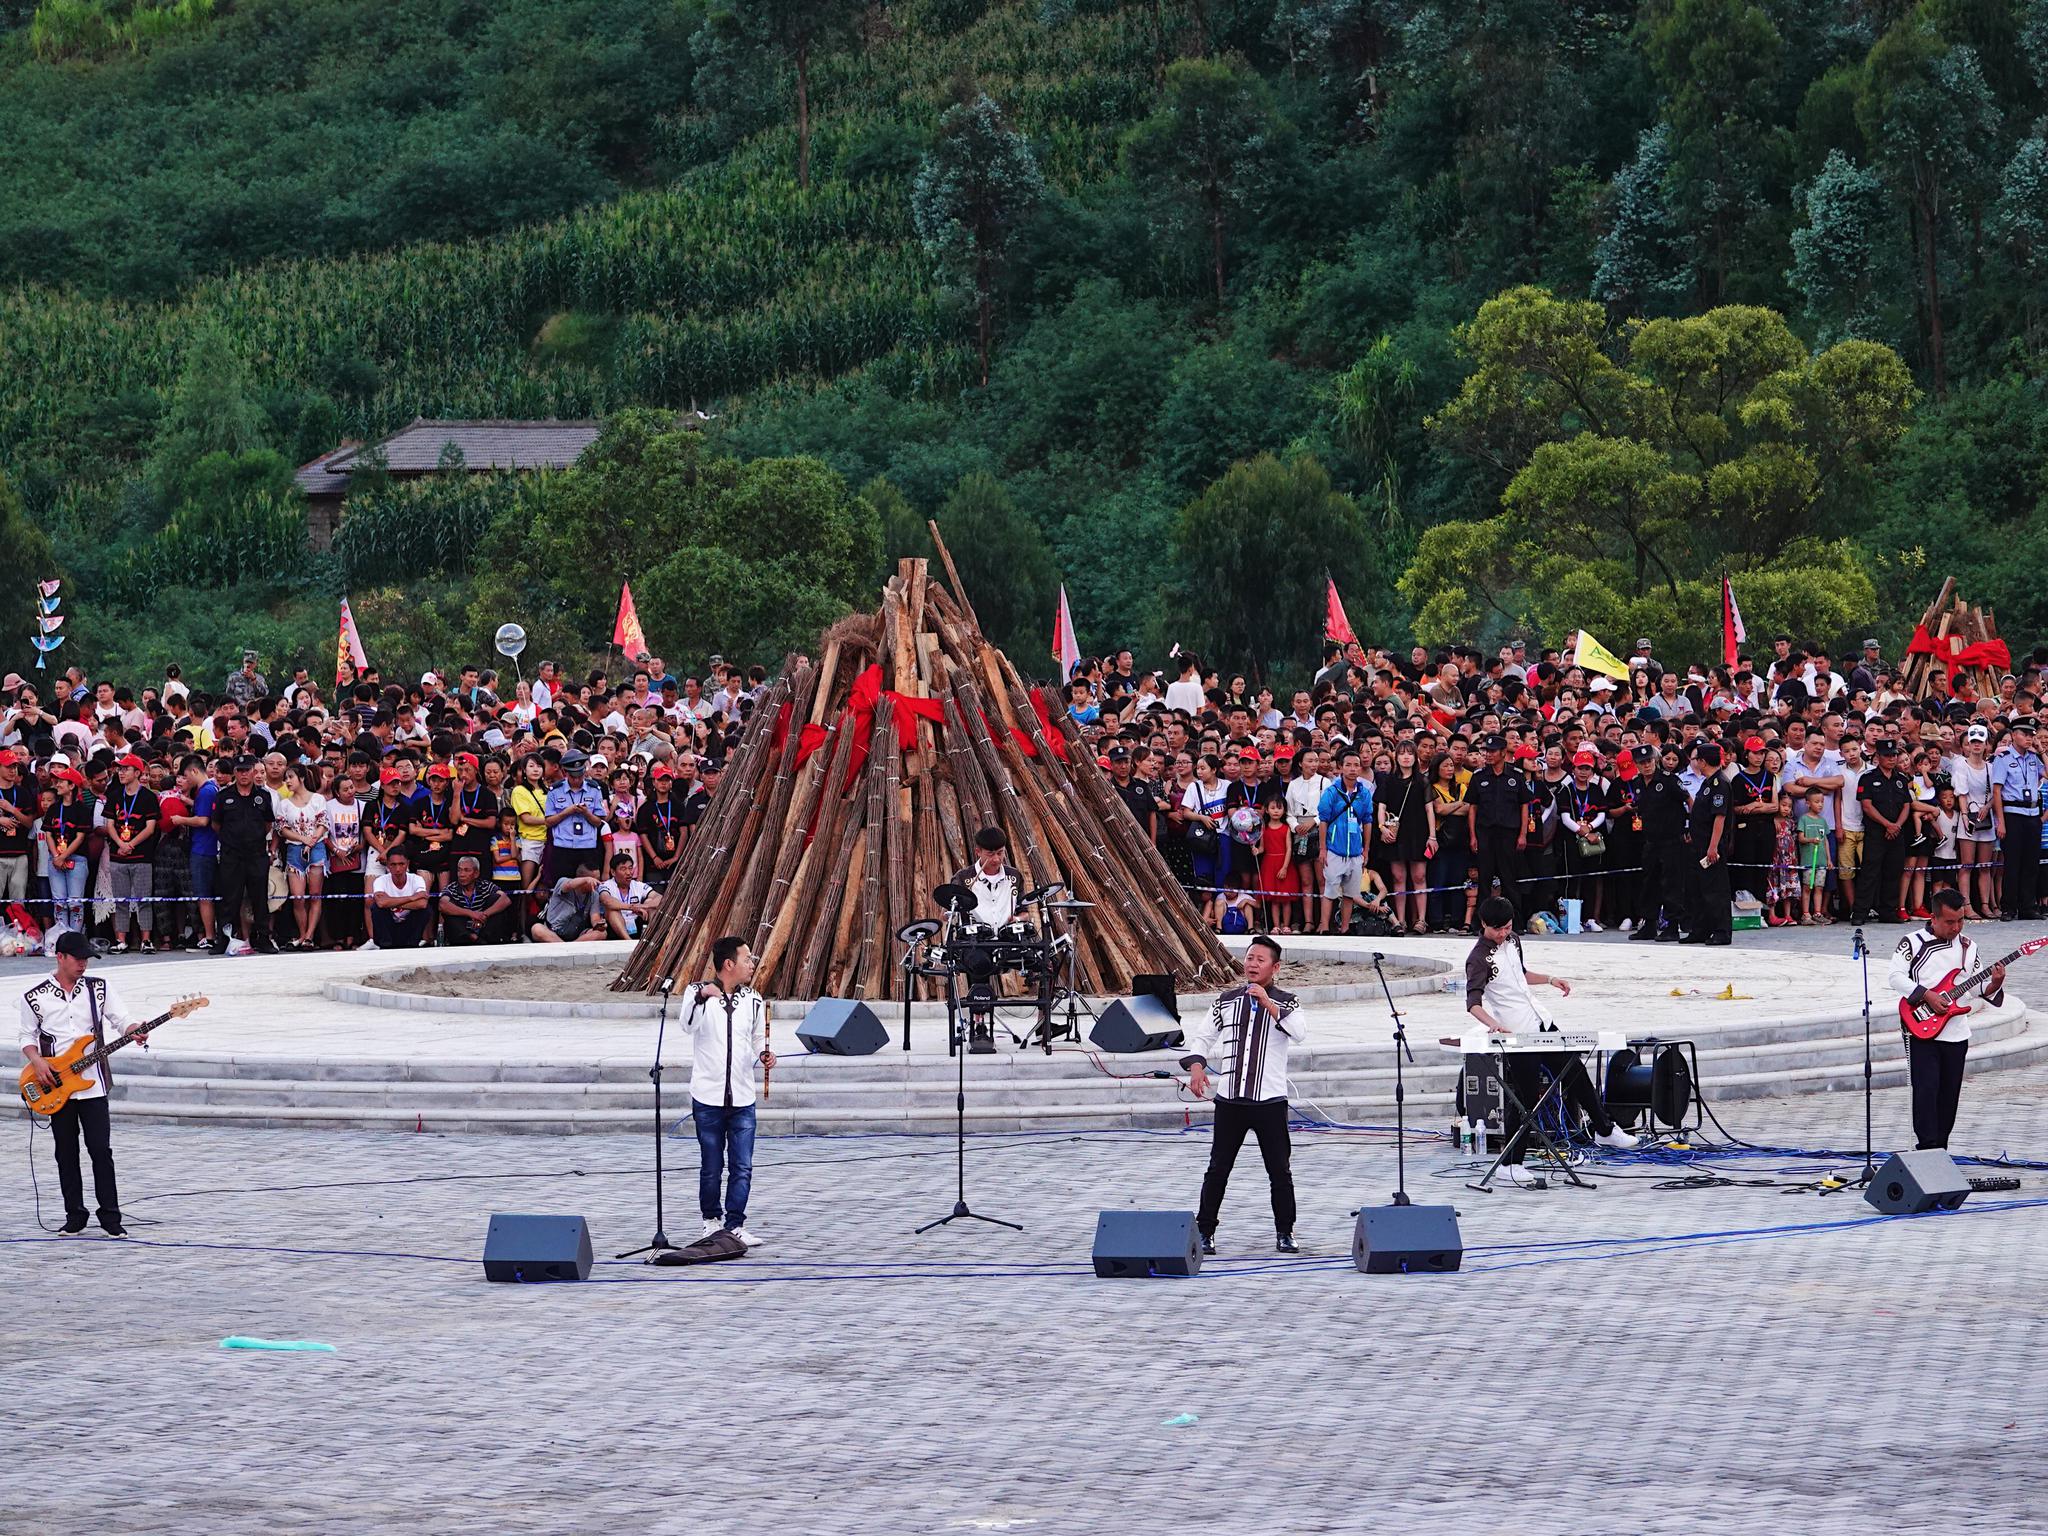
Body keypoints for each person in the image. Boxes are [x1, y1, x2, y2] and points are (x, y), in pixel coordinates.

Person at [1463, 896, 1638, 1167]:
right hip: (1517, 1032)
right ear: (1484, 923)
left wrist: (1550, 979)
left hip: (1540, 1021)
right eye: (1498, 929)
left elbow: (1520, 974)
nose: (1503, 933)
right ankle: (1510, 1165)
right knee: (1525, 1098)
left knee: (1574, 1070)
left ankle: (1604, 1129)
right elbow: (1473, 1002)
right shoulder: (1477, 959)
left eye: (1508, 927)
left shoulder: (1514, 940)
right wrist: (1492, 1024)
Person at [1180, 934, 1303, 1255]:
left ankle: (1285, 1232)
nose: (1253, 964)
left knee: (1279, 1171)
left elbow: (1299, 1033)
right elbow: (1203, 1036)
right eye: (1250, 958)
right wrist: (1196, 1066)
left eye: (1261, 960)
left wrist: (1269, 1004)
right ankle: (1204, 1231)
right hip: (1230, 1101)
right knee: (1218, 1168)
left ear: (1275, 967)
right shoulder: (1226, 1000)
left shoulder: (1288, 1002)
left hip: (1270, 1101)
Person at [17, 931, 131, 1236]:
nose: (83, 964)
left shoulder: (99, 989)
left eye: (86, 959)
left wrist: (135, 1029)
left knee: (100, 1150)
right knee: (65, 1152)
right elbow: (27, 1035)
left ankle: (111, 1218)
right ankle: (75, 1215)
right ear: (60, 957)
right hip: (56, 1085)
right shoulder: (35, 996)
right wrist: (37, 1062)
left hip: (93, 1085)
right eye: (78, 959)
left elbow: (122, 1020)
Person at [1887, 888, 2004, 1151]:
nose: (1956, 927)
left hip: (1956, 1031)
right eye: (1950, 922)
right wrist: (1927, 995)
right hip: (1920, 1027)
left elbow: (1974, 987)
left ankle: (1941, 1148)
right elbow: (1895, 977)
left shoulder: (1969, 947)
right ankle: (1926, 1147)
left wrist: (1994, 984)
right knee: (1926, 1090)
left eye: (1961, 920)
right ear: (1934, 918)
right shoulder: (1912, 942)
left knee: (1949, 1095)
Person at [682, 936, 772, 1248]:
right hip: (708, 1096)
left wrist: (764, 1053)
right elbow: (687, 1025)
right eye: (747, 959)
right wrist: (700, 998)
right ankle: (711, 1221)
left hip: (743, 1096)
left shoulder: (753, 999)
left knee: (742, 1166)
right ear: (729, 964)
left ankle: (736, 1224)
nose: (752, 964)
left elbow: (757, 1037)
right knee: (711, 1166)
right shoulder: (697, 992)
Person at [950, 827, 1027, 1053]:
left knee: (1046, 960)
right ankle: (979, 1025)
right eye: (990, 854)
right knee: (979, 962)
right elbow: (951, 912)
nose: (996, 859)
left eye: (1000, 853)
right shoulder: (963, 878)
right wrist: (952, 914)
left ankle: (1044, 1023)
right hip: (976, 942)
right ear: (978, 852)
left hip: (1006, 939)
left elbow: (1024, 911)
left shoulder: (1014, 877)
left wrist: (1017, 919)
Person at [209, 754, 276, 954]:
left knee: (260, 899)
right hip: (232, 855)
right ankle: (224, 940)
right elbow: (216, 824)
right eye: (239, 771)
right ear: (234, 773)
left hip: (256, 854)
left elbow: (268, 824)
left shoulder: (263, 795)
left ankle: (263, 939)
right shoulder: (223, 796)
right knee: (229, 899)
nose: (244, 774)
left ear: (253, 771)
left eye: (247, 770)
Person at [1991, 718, 2044, 922]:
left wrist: (2041, 751)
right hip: (2012, 814)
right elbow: (1997, 791)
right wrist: (2001, 822)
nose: (2029, 738)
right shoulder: (2003, 758)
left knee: (2031, 863)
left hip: (2032, 814)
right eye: (2025, 734)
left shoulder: (2033, 757)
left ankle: (2027, 906)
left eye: (2031, 735)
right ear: (2013, 735)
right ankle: (2009, 907)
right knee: (2013, 863)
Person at [1316, 750, 1373, 937]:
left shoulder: (1364, 792)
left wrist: (1366, 849)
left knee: (1350, 893)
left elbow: (1367, 821)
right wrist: (1323, 848)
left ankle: (1345, 928)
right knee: (1330, 890)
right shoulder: (1331, 792)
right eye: (1348, 765)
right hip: (1334, 849)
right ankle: (1325, 927)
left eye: (1356, 765)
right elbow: (1323, 820)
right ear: (1340, 767)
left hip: (1355, 851)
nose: (1352, 769)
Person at [1684, 742, 1732, 945]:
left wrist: (1713, 846)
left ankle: (1721, 931)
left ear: (1703, 761)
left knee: (1715, 890)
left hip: (1711, 846)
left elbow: (1719, 817)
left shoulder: (1719, 783)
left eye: (1697, 759)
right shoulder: (1707, 782)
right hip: (1699, 843)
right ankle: (1700, 929)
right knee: (1699, 889)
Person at [440, 853, 513, 945]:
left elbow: (505, 899)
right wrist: (471, 914)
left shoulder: (485, 885)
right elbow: (442, 904)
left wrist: (484, 915)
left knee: (496, 899)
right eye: (459, 870)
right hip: (462, 931)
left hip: (483, 926)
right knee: (449, 909)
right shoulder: (452, 888)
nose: (461, 874)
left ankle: (486, 939)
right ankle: (474, 938)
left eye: (466, 870)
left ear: (476, 873)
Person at [369, 846, 433, 949]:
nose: (397, 869)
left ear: (407, 864)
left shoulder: (417, 879)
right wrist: (412, 898)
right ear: (388, 865)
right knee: (376, 908)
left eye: (401, 864)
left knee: (426, 910)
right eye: (393, 864)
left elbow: (422, 904)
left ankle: (412, 943)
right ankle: (386, 945)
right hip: (388, 929)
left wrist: (390, 901)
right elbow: (381, 903)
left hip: (408, 929)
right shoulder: (380, 880)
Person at [531, 862, 605, 943]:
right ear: (581, 878)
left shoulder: (594, 895)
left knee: (602, 933)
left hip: (577, 934)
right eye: (594, 880)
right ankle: (564, 945)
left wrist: (599, 924)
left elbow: (595, 918)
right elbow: (569, 885)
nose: (597, 883)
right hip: (553, 931)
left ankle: (571, 946)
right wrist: (586, 880)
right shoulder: (563, 881)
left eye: (598, 879)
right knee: (536, 929)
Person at [597, 852, 660, 939]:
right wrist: (632, 907)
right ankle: (629, 942)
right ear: (613, 872)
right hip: (614, 928)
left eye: (630, 868)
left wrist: (644, 906)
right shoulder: (606, 885)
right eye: (623, 869)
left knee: (650, 903)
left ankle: (654, 939)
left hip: (637, 923)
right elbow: (606, 900)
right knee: (612, 911)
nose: (628, 873)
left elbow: (660, 898)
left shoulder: (638, 885)